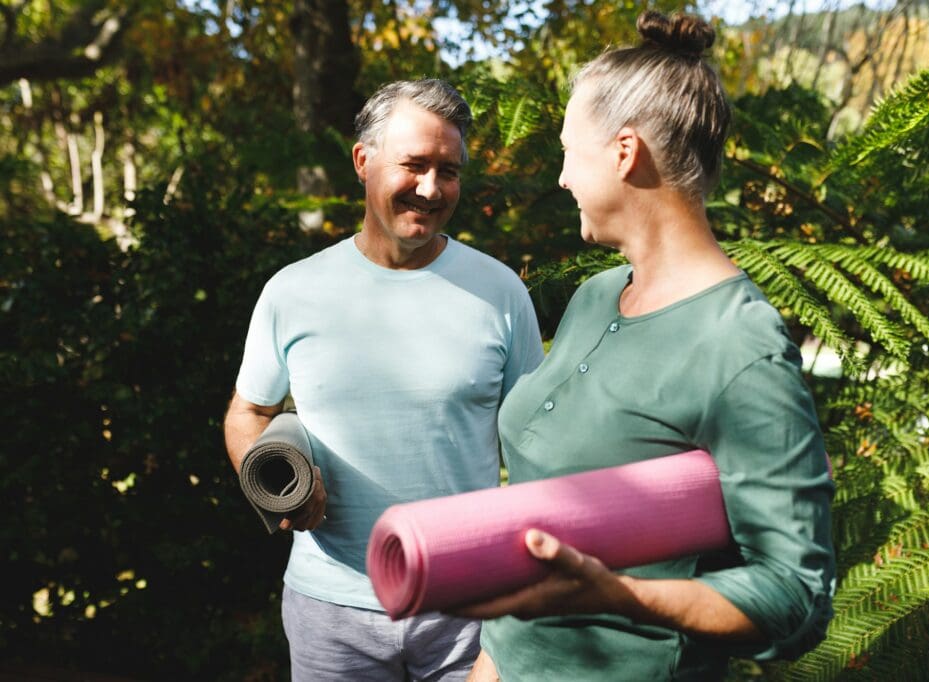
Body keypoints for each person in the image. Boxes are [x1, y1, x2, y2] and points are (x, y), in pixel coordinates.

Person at [456, 10, 836, 681]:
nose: (562, 177)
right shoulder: (595, 297)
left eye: (569, 151)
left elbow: (797, 595)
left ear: (625, 153)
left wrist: (623, 597)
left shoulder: (738, 346)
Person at [223, 79, 545, 681]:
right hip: (330, 611)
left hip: (467, 611)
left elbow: (539, 447)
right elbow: (248, 413)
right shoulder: (292, 292)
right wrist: (270, 479)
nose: (431, 188)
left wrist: (520, 600)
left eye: (448, 170)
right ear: (362, 161)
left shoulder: (501, 291)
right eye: (414, 165)